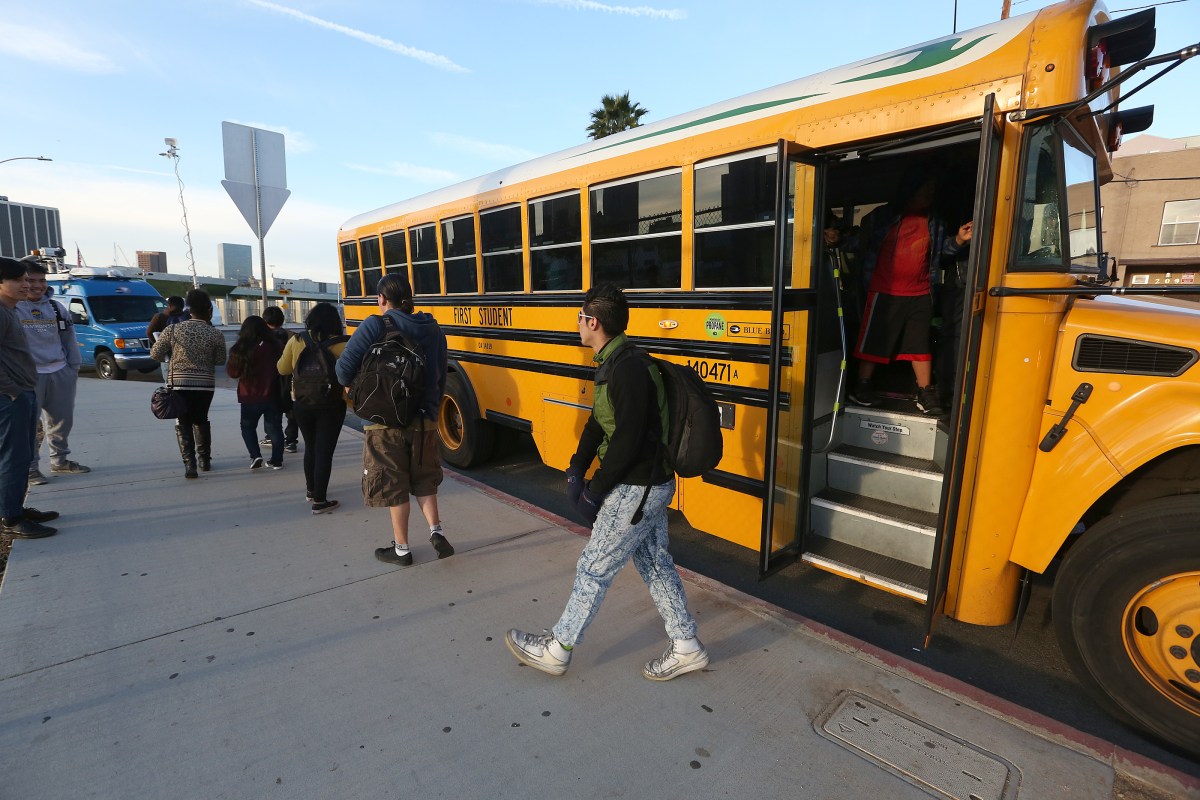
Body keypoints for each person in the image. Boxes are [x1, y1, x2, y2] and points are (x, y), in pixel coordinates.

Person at [505, 283, 707, 681]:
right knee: (654, 563)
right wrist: (577, 468)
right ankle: (687, 646)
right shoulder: (614, 363)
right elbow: (600, 421)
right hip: (647, 486)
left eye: (580, 317)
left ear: (592, 322)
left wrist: (595, 490)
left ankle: (557, 650)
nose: (578, 323)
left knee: (593, 568)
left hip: (636, 488)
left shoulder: (628, 368)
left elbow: (628, 439)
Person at [335, 273, 453, 565]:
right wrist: (431, 413)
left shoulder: (376, 324)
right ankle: (436, 531)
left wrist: (354, 387)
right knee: (424, 478)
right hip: (424, 420)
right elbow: (440, 378)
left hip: (385, 421)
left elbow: (342, 371)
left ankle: (402, 549)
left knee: (394, 482)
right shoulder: (434, 330)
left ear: (382, 299)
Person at [846, 169, 971, 416]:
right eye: (927, 189)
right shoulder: (882, 217)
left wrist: (958, 239)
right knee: (874, 343)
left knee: (920, 344)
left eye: (932, 191)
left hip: (921, 292)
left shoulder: (934, 221)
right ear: (911, 190)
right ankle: (862, 387)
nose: (930, 195)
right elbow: (861, 244)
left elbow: (939, 254)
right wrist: (836, 239)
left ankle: (925, 393)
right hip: (884, 290)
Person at [0, 257, 59, 538]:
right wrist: (12, 391)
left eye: (28, 280)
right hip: (11, 398)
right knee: (13, 457)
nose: (27, 285)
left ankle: (16, 508)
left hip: (22, 392)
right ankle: (11, 520)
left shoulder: (10, 310)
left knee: (23, 455)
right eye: (20, 280)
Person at [17, 260, 88, 485]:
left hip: (60, 372)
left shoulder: (57, 307)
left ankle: (60, 461)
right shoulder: (11, 309)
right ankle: (30, 469)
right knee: (27, 425)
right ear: (20, 281)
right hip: (27, 377)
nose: (37, 286)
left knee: (62, 421)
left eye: (42, 280)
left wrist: (72, 368)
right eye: (30, 280)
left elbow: (68, 339)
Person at [277, 303, 348, 514]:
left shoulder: (297, 340)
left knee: (310, 446)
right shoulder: (343, 344)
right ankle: (320, 500)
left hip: (302, 403)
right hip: (332, 404)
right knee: (324, 451)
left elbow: (282, 368)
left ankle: (311, 491)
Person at [150, 289, 226, 479]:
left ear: (189, 310)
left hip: (179, 384)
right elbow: (220, 360)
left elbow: (155, 354)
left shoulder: (172, 330)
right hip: (205, 385)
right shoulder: (215, 334)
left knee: (183, 422)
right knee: (201, 419)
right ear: (209, 310)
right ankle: (205, 461)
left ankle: (189, 465)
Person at [226, 315, 285, 471]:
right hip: (273, 394)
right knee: (275, 428)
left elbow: (233, 373)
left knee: (248, 427)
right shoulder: (276, 345)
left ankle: (255, 455)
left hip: (249, 395)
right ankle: (276, 460)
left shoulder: (240, 348)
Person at [262, 305, 298, 454]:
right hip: (290, 379)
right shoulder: (293, 336)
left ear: (265, 321)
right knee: (291, 411)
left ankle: (272, 437)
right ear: (282, 320)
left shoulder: (262, 338)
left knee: (271, 410)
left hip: (269, 379)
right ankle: (291, 441)